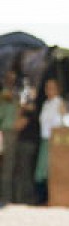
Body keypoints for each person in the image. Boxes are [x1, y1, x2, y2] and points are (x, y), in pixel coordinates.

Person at [34, 77, 66, 205]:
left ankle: (51, 199)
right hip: (45, 139)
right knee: (42, 171)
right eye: (47, 87)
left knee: (51, 170)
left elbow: (64, 122)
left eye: (52, 87)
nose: (49, 90)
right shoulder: (46, 104)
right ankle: (44, 199)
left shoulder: (60, 103)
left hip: (55, 141)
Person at [0, 69, 20, 205]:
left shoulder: (16, 94)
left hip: (12, 132)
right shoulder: (5, 95)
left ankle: (9, 198)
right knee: (8, 167)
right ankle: (6, 198)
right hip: (7, 132)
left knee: (11, 167)